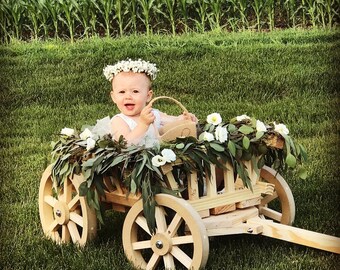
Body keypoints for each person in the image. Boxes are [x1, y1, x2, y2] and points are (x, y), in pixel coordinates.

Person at [102, 59, 197, 148]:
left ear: (148, 96)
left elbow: (173, 122)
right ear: (113, 97)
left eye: (135, 91)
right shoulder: (119, 121)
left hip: (156, 159)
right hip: (132, 162)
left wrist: (184, 119)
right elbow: (124, 145)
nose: (128, 96)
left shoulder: (153, 114)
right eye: (122, 92)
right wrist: (143, 124)